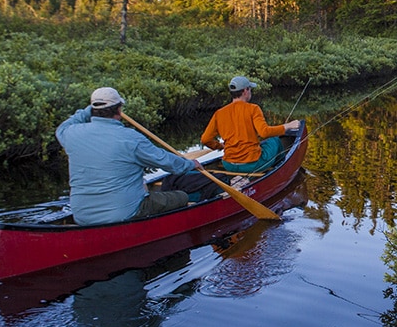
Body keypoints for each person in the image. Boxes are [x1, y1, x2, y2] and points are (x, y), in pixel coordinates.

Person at [55, 87, 201, 225]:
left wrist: (89, 110)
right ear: (119, 110)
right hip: (124, 213)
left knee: (143, 187)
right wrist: (190, 164)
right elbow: (166, 161)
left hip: (82, 215)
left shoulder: (71, 133)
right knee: (182, 197)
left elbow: (62, 127)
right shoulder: (131, 138)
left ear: (93, 109)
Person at [201, 76, 300, 174]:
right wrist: (288, 125)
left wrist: (220, 146)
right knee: (275, 141)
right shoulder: (253, 109)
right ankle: (281, 170)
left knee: (264, 144)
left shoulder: (219, 113)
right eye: (250, 89)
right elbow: (264, 132)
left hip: (228, 164)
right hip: (252, 164)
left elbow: (205, 139)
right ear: (245, 90)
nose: (250, 92)